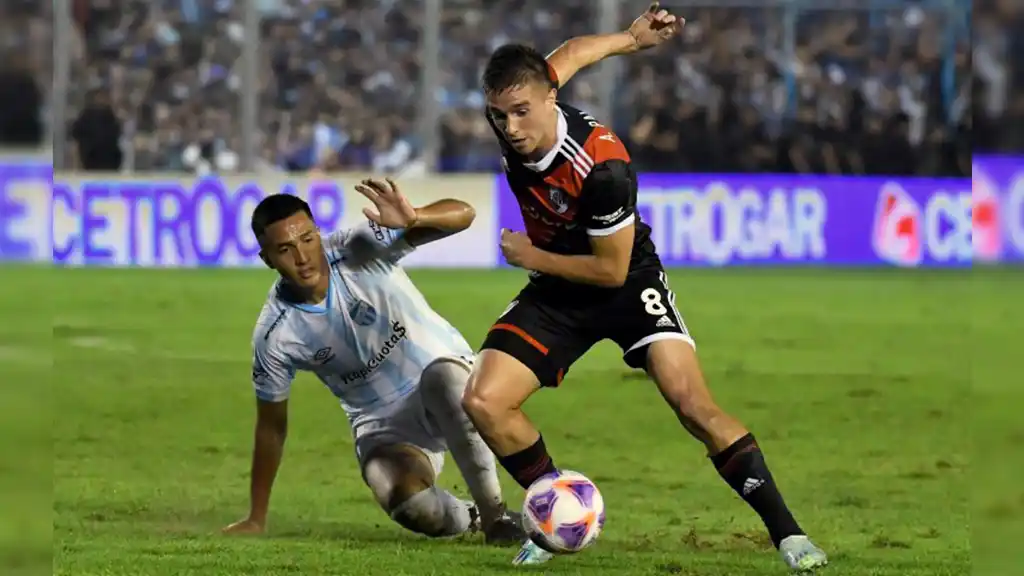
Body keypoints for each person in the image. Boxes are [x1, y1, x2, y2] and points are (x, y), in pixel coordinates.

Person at [460, 3, 829, 571]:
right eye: (499, 115)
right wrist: (630, 39)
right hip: (558, 288)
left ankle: (789, 536)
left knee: (693, 405)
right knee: (484, 400)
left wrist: (530, 255)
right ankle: (559, 513)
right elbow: (577, 50)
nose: (510, 128)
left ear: (549, 100)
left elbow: (609, 271)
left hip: (625, 282)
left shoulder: (602, 168)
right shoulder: (527, 99)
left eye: (520, 113)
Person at [222, 180, 523, 545]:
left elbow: (464, 215)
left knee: (441, 378)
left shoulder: (358, 248)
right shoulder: (276, 334)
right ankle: (471, 517)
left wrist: (414, 217)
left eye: (307, 239)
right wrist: (256, 516)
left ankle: (496, 518)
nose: (302, 257)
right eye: (285, 249)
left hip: (450, 379)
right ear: (266, 258)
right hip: (383, 426)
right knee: (405, 502)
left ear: (318, 232)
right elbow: (271, 428)